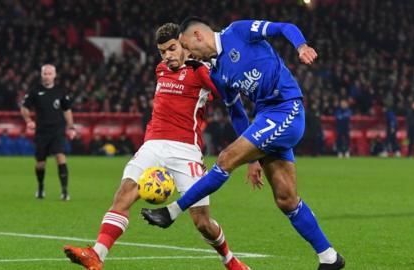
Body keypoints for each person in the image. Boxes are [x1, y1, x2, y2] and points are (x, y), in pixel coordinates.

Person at [141, 17, 345, 270]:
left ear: (197, 35)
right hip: (265, 118)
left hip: (286, 109)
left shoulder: (238, 31)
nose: (187, 53)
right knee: (286, 198)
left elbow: (284, 27)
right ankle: (329, 257)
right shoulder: (217, 72)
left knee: (226, 158)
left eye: (186, 46)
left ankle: (171, 211)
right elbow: (236, 113)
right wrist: (250, 159)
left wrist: (301, 46)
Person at [63, 23, 251, 270]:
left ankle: (230, 260)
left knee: (202, 221)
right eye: (162, 51)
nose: (167, 56)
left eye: (172, 48)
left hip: (186, 150)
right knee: (124, 193)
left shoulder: (201, 71)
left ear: (183, 45)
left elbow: (227, 94)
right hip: (152, 145)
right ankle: (97, 254)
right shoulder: (161, 69)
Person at [21, 64, 76, 201]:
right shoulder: (35, 91)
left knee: (60, 157)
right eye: (45, 73)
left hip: (57, 131)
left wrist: (70, 127)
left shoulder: (60, 91)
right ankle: (40, 188)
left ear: (54, 75)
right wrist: (28, 120)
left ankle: (64, 191)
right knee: (40, 163)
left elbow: (67, 110)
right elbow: (24, 107)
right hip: (41, 132)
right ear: (41, 75)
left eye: (50, 73)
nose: (47, 76)